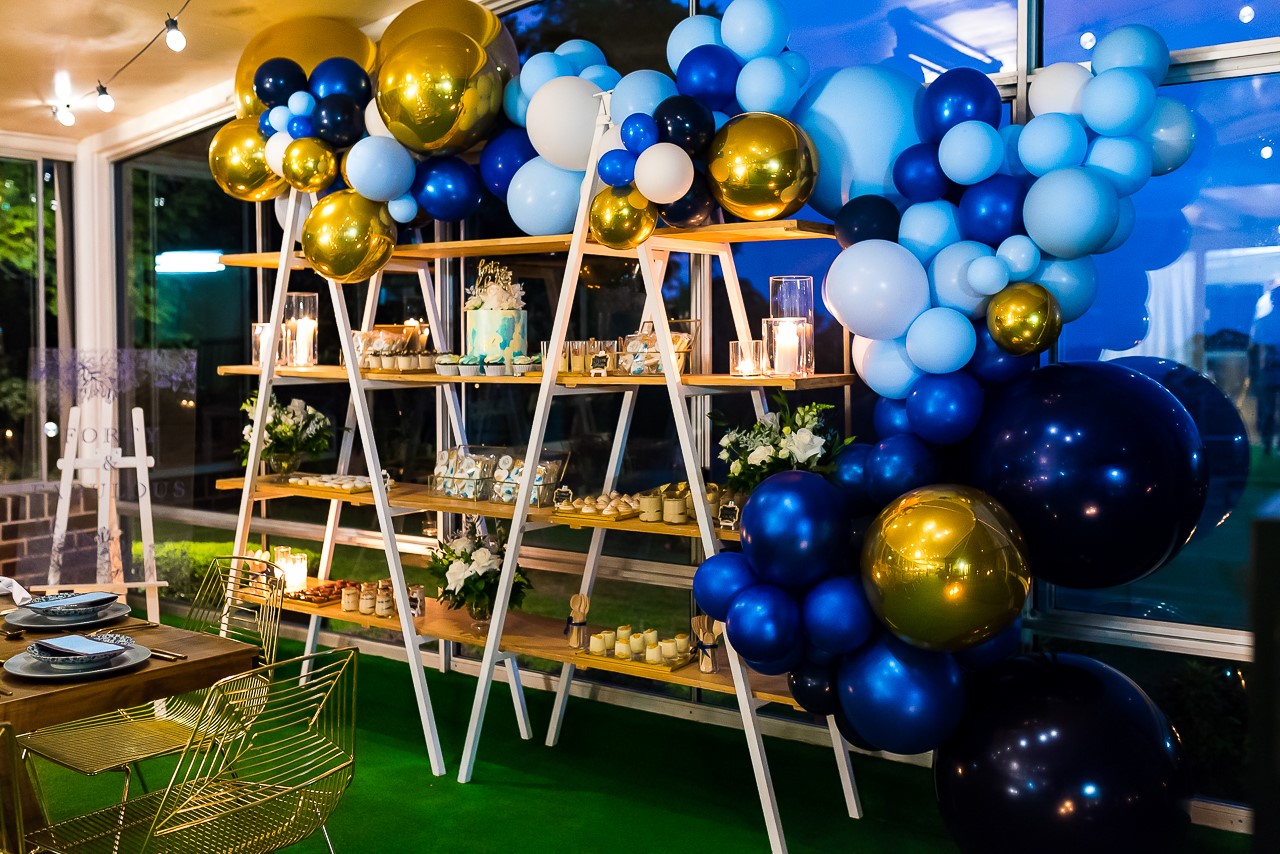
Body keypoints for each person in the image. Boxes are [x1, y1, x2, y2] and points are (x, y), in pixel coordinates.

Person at [1250, 282, 1280, 453]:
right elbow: (1255, 347)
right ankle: (1267, 444)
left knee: (1267, 410)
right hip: (1268, 371)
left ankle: (1267, 444)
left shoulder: (1263, 321)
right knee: (1267, 410)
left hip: (1267, 371)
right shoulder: (1264, 322)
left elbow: (1254, 347)